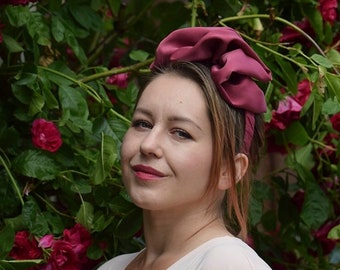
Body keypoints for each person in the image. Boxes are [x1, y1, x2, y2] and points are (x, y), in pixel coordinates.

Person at [98, 27, 272, 270]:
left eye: (181, 133)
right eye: (143, 123)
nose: (148, 145)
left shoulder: (227, 264)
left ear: (227, 170)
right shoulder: (113, 268)